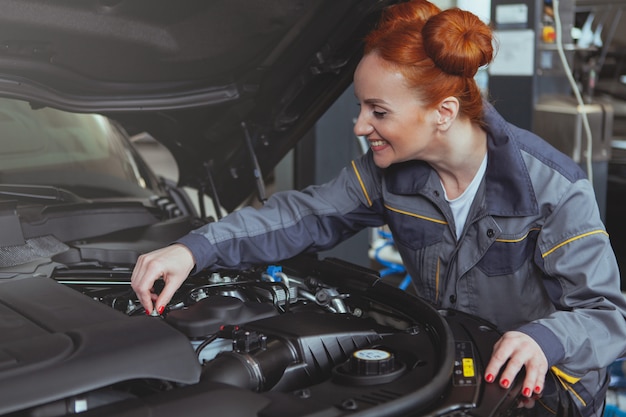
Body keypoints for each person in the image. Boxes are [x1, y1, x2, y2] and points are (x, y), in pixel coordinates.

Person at [131, 1, 626, 416]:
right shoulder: (387, 174)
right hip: (453, 364)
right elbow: (303, 215)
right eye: (361, 107)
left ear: (443, 114)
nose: (360, 126)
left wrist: (544, 338)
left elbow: (607, 315)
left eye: (379, 111)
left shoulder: (552, 190)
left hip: (548, 390)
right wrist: (194, 250)